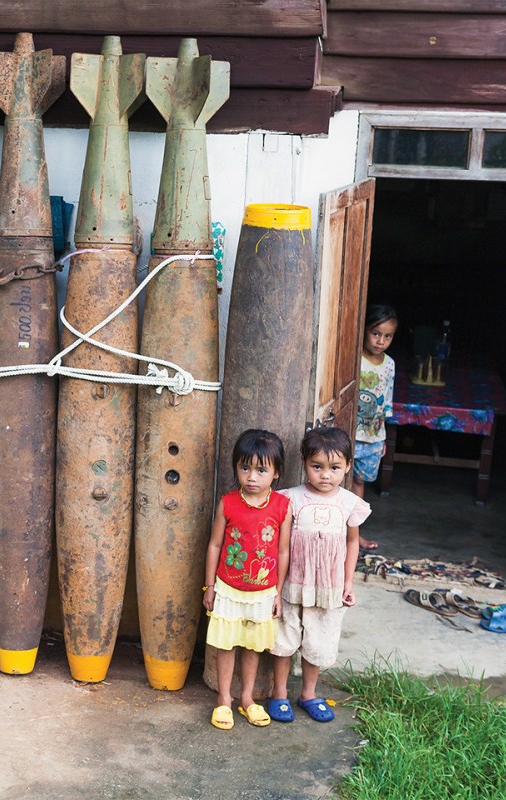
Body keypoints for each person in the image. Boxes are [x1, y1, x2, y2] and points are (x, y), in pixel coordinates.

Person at [267, 427, 370, 723]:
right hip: (292, 584)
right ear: (304, 463)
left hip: (329, 587)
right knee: (284, 639)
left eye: (335, 468)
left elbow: (352, 542)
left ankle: (309, 694)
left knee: (319, 640)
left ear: (348, 466)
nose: (326, 475)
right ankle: (279, 693)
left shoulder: (350, 503)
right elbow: (280, 544)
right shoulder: (290, 499)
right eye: (317, 467)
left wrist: (348, 581)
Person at [203, 429, 292, 730]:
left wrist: (278, 593)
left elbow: (282, 552)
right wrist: (211, 587)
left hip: (263, 592)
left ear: (276, 473)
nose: (252, 476)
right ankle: (224, 699)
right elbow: (215, 545)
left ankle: (247, 699)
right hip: (228, 589)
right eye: (245, 468)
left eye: (261, 470)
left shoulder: (282, 507)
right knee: (226, 645)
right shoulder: (228, 503)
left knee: (253, 646)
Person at [353, 304, 397, 549]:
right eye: (376, 333)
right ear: (366, 330)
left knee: (359, 483)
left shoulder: (389, 365)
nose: (381, 341)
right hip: (349, 435)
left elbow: (387, 401)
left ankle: (353, 534)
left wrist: (384, 437)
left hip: (373, 437)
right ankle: (338, 535)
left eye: (387, 336)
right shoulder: (354, 358)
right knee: (337, 483)